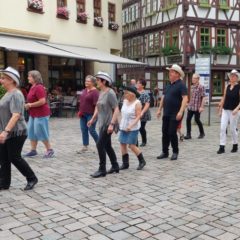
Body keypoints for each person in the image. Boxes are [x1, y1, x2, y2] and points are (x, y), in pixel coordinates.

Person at [0, 67, 38, 190]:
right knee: (4, 158)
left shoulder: (16, 94)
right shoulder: (7, 93)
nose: (1, 80)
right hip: (6, 130)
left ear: (12, 80)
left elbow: (16, 115)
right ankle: (4, 182)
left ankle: (32, 178)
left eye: (3, 78)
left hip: (17, 131)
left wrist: (5, 132)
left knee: (14, 157)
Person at [88, 71, 120, 178]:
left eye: (98, 80)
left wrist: (112, 124)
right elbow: (98, 107)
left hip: (108, 123)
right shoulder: (101, 92)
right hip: (102, 123)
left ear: (104, 81)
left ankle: (102, 169)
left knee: (99, 144)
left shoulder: (110, 93)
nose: (96, 81)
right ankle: (115, 166)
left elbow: (116, 109)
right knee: (107, 145)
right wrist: (93, 119)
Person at [156, 64, 188, 160]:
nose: (169, 73)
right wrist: (159, 109)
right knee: (164, 132)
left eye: (172, 72)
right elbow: (163, 98)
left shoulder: (181, 85)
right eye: (169, 71)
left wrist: (181, 112)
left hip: (176, 113)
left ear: (177, 74)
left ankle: (175, 152)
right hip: (167, 112)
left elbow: (185, 98)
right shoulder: (168, 85)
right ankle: (165, 152)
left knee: (172, 132)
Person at [24, 70, 54, 158]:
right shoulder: (32, 87)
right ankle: (33, 150)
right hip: (33, 113)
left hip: (41, 113)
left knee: (40, 131)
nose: (28, 78)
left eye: (29, 76)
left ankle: (49, 150)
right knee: (31, 131)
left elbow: (42, 101)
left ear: (35, 78)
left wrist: (30, 105)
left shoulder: (39, 87)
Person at [119, 86, 146, 170]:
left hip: (133, 128)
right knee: (122, 143)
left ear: (132, 94)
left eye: (126, 93)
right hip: (124, 126)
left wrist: (131, 125)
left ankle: (142, 161)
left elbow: (138, 117)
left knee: (131, 145)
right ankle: (125, 163)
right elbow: (122, 113)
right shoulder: (125, 101)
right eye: (124, 93)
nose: (124, 95)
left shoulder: (137, 103)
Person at [217, 69, 240, 154]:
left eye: (234, 76)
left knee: (232, 129)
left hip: (234, 111)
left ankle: (235, 144)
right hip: (225, 110)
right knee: (223, 128)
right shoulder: (227, 86)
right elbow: (224, 98)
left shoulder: (239, 87)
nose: (232, 77)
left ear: (237, 78)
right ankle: (222, 146)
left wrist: (237, 109)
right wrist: (220, 109)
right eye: (231, 75)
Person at [77, 75, 99, 153]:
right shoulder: (85, 90)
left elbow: (97, 106)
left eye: (88, 81)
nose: (86, 82)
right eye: (86, 81)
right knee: (84, 130)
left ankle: (100, 145)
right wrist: (80, 111)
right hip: (83, 114)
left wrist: (94, 117)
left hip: (91, 114)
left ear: (93, 83)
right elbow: (82, 102)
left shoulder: (95, 92)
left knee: (92, 130)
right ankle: (85, 146)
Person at [184, 73, 206, 139]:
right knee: (188, 119)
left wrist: (202, 107)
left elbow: (203, 97)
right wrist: (188, 103)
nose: (192, 79)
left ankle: (202, 133)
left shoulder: (201, 87)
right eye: (192, 78)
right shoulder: (192, 86)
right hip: (191, 106)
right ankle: (188, 134)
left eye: (194, 78)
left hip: (197, 107)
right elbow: (191, 96)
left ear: (198, 79)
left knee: (197, 120)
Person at [136, 79, 151, 147]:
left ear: (142, 85)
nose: (137, 84)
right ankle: (135, 141)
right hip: (135, 112)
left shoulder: (145, 94)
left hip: (143, 113)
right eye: (137, 83)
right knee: (135, 127)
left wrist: (142, 112)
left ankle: (144, 141)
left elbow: (147, 104)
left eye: (138, 83)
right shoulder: (135, 92)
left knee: (141, 127)